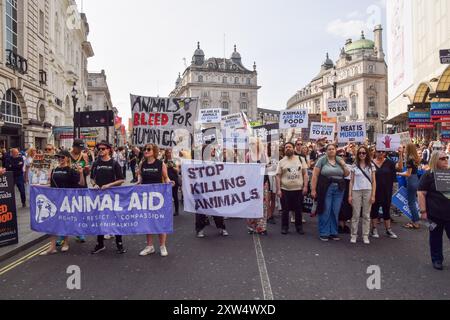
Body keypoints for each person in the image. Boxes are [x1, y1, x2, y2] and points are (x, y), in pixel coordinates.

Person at [39, 150, 86, 255]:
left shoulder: (71, 170)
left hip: (66, 200)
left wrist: (81, 173)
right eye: (58, 157)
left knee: (65, 221)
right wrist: (38, 187)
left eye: (62, 157)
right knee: (53, 222)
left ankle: (66, 243)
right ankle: (52, 247)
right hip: (55, 199)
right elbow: (50, 185)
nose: (60, 159)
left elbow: (81, 184)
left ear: (67, 158)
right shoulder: (54, 170)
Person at [90, 141, 126, 254]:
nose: (101, 151)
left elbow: (121, 180)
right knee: (99, 219)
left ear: (109, 150)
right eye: (99, 149)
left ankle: (119, 243)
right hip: (99, 196)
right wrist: (94, 184)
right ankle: (100, 244)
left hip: (112, 196)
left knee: (115, 219)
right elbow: (92, 178)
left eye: (103, 148)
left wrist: (109, 185)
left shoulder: (114, 163)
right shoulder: (96, 163)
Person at [138, 144, 173, 257]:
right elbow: (140, 176)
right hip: (146, 197)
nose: (146, 151)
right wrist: (138, 181)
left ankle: (162, 246)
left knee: (160, 221)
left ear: (154, 151)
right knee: (148, 221)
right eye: (145, 149)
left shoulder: (160, 163)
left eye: (148, 149)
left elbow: (166, 177)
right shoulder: (142, 163)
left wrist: (169, 182)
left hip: (158, 198)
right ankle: (150, 246)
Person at [311, 144, 350, 242]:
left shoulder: (339, 160)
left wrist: (343, 164)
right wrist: (313, 189)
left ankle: (333, 232)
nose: (331, 151)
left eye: (333, 149)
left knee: (335, 210)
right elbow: (315, 176)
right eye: (329, 149)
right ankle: (324, 232)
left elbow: (346, 174)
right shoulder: (322, 160)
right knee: (325, 209)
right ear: (326, 151)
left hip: (339, 189)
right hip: (326, 188)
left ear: (336, 150)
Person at [418, 151, 450, 270]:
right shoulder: (428, 175)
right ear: (435, 160)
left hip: (449, 213)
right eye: (442, 158)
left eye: (446, 158)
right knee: (436, 237)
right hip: (434, 213)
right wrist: (423, 211)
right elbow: (421, 193)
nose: (446, 160)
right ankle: (437, 260)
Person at [276, 142, 308, 235]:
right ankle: (284, 227)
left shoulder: (301, 159)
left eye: (290, 147)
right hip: (285, 189)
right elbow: (278, 176)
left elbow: (305, 174)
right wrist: (278, 189)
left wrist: (305, 186)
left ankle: (299, 227)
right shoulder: (281, 161)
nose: (288, 149)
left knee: (298, 209)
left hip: (298, 189)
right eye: (286, 147)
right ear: (284, 149)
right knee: (285, 210)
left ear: (293, 149)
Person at [370, 147, 403, 239]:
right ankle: (374, 229)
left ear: (385, 153)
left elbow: (399, 168)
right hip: (374, 190)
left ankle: (388, 229)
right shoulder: (371, 162)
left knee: (386, 209)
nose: (380, 153)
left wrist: (400, 154)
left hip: (387, 190)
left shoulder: (389, 163)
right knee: (374, 209)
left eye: (382, 151)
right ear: (375, 152)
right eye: (378, 151)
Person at [348, 146, 376, 244]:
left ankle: (365, 235)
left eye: (364, 153)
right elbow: (351, 181)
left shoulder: (371, 165)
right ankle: (353, 235)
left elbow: (374, 181)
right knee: (355, 214)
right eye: (360, 153)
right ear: (357, 154)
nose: (362, 154)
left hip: (368, 190)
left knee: (366, 215)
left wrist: (373, 195)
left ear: (367, 154)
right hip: (356, 190)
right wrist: (349, 195)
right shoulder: (354, 165)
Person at [246, 137, 270, 235]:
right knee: (251, 204)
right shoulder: (248, 155)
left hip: (262, 183)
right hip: (251, 183)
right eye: (251, 143)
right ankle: (251, 226)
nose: (252, 145)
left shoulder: (263, 154)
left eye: (254, 143)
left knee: (263, 206)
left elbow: (268, 166)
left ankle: (261, 227)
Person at [398, 143, 421, 230]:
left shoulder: (410, 159)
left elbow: (408, 173)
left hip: (411, 180)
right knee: (413, 201)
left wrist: (398, 173)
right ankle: (414, 220)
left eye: (405, 147)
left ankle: (415, 222)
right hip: (415, 180)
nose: (404, 149)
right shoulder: (415, 158)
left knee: (411, 203)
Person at [164, 148, 181, 216]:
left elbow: (178, 170)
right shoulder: (163, 161)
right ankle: (167, 210)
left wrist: (172, 166)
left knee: (175, 195)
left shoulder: (175, 160)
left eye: (170, 152)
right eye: (168, 152)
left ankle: (176, 210)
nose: (169, 154)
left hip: (174, 180)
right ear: (166, 153)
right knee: (167, 196)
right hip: (166, 180)